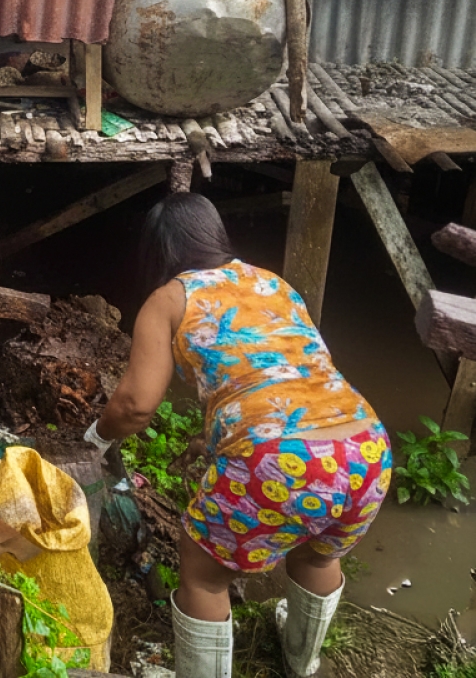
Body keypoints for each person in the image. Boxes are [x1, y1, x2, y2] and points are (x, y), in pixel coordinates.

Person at [84, 193, 389, 678]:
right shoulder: (273, 283)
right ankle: (301, 661)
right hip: (365, 449)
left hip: (280, 456)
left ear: (157, 251)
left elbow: (135, 405)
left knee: (203, 574)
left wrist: (96, 439)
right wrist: (221, 438)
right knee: (318, 555)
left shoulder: (168, 299)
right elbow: (290, 375)